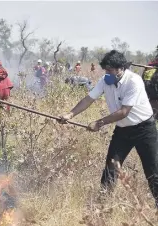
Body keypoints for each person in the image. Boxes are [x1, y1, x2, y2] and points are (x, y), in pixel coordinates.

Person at [59, 50, 158, 207]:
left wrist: (99, 123)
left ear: (120, 69)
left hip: (144, 130)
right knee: (110, 170)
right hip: (122, 131)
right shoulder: (105, 81)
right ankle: (103, 207)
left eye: (110, 70)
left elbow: (124, 111)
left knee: (153, 172)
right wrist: (70, 114)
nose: (107, 73)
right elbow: (88, 99)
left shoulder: (134, 81)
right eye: (105, 70)